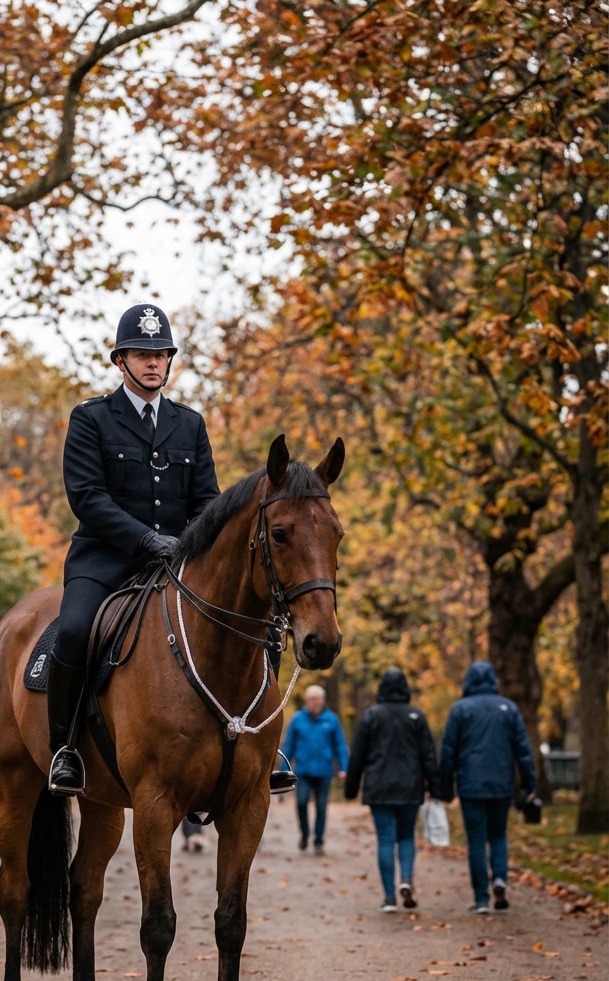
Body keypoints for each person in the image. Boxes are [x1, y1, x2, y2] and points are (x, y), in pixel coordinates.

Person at [47, 302, 296, 799]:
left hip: (181, 561)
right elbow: (87, 498)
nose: (153, 362)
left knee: (258, 627)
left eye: (161, 354)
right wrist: (144, 538)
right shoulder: (91, 418)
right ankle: (66, 750)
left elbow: (208, 501)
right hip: (105, 560)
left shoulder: (189, 423)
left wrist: (196, 544)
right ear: (120, 360)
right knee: (73, 632)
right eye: (142, 354)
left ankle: (261, 741)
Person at [437, 661, 536, 914]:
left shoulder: (460, 710)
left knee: (477, 840)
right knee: (499, 835)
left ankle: (481, 898)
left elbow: (449, 751)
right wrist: (529, 785)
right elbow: (523, 751)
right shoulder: (508, 709)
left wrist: (445, 788)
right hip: (501, 784)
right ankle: (500, 878)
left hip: (470, 785)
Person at [344, 668, 440, 912]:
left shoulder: (371, 716)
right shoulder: (416, 716)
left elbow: (358, 756)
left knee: (385, 840)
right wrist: (437, 787)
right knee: (406, 836)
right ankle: (406, 880)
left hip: (379, 788)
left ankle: (389, 898)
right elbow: (428, 756)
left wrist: (351, 788)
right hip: (410, 787)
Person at [280, 684, 348, 854]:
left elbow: (340, 745)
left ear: (322, 701)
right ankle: (305, 834)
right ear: (307, 701)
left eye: (317, 699)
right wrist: (283, 770)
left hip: (324, 771)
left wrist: (344, 768)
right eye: (311, 699)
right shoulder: (297, 719)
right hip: (303, 770)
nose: (314, 702)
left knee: (322, 806)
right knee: (301, 803)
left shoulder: (331, 719)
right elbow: (288, 746)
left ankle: (318, 841)